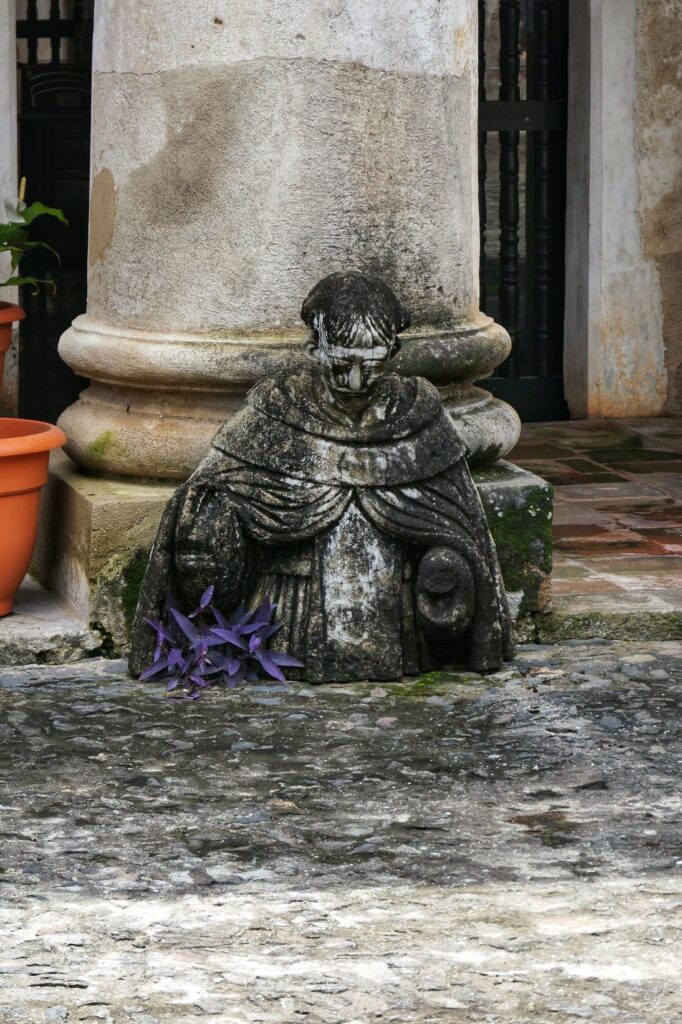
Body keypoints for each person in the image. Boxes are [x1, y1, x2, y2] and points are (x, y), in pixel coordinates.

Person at [129, 270, 513, 682]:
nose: (355, 382)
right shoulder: (278, 410)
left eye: (372, 367)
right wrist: (211, 524)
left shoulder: (416, 413)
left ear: (394, 352)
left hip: (396, 606)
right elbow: (206, 494)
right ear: (314, 348)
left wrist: (446, 565)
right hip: (290, 606)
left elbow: (459, 521)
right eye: (341, 366)